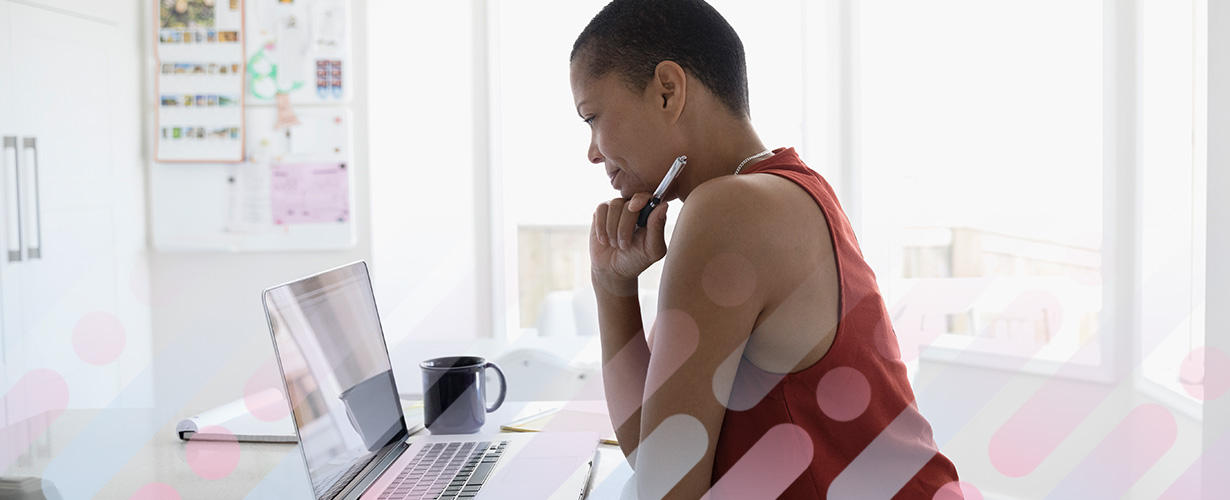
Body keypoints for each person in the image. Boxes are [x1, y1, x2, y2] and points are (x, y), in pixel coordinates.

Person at [570, 0, 961, 498]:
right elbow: (655, 456)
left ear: (668, 91)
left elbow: (666, 490)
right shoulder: (785, 188)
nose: (592, 152)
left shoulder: (728, 211)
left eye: (592, 117)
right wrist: (612, 286)